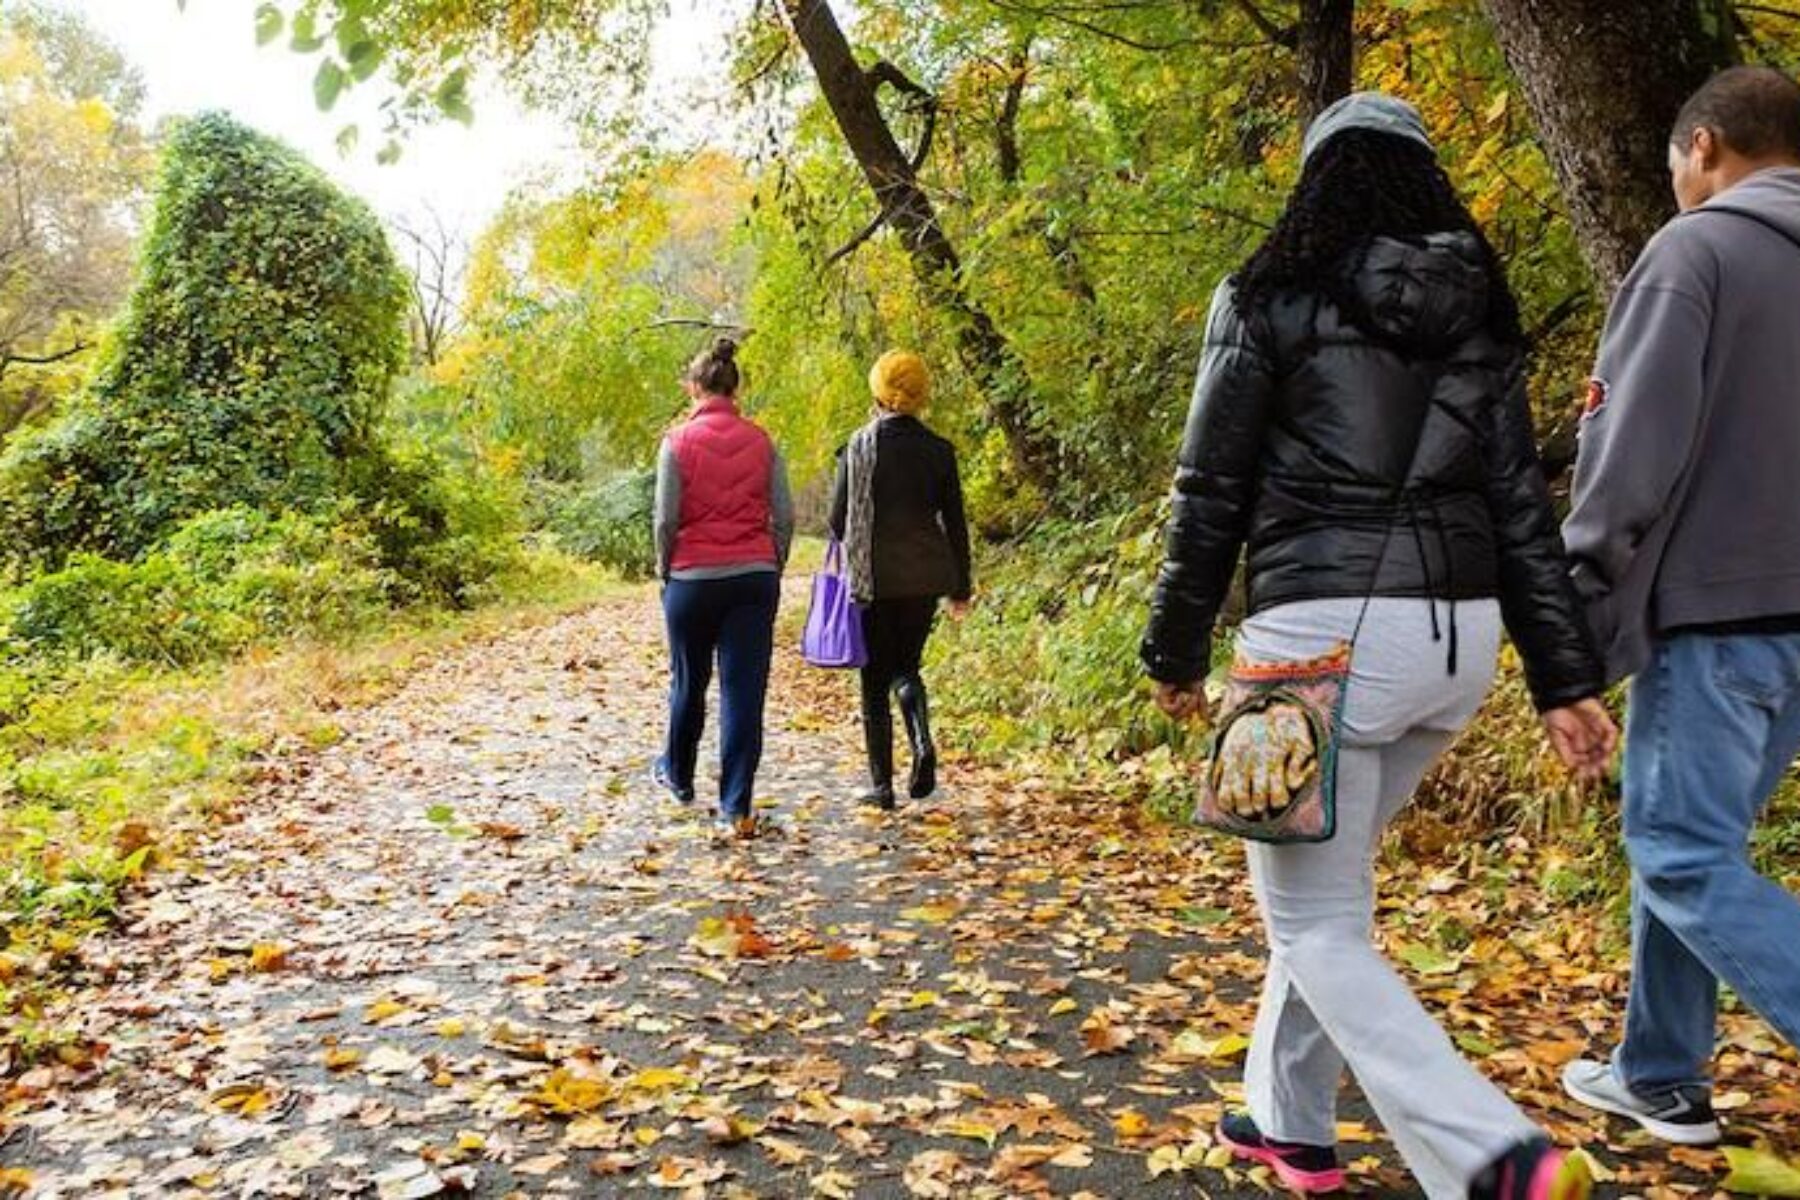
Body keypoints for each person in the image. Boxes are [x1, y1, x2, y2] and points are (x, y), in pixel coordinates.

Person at [1141, 93, 1617, 1200]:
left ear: (1320, 180)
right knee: (1322, 912)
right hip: (1454, 650)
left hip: (1318, 637)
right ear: (1424, 180)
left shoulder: (1268, 294)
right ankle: (1289, 1123)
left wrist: (1172, 647)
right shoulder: (1480, 313)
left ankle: (1493, 1155)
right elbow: (1519, 507)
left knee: (1314, 924)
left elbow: (1211, 487)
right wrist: (1563, 678)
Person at [1558, 66, 1800, 1146]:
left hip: (1721, 614)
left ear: (1704, 144)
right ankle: (1658, 1073)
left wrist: (1579, 589)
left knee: (1680, 851)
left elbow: (1628, 447)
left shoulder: (1696, 252)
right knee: (1698, 841)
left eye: (1673, 163)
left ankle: (1657, 1070)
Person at [651, 338, 794, 838]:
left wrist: (664, 571)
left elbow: (666, 519)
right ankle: (737, 807)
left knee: (688, 681)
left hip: (692, 580)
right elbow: (786, 515)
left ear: (694, 388)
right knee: (743, 693)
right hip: (752, 579)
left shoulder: (676, 442)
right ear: (736, 388)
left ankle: (679, 777)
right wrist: (771, 564)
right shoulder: (762, 441)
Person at [827, 350, 972, 811]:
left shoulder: (859, 447)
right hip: (926, 576)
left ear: (877, 391)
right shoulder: (939, 450)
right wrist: (960, 587)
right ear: (922, 394)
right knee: (906, 667)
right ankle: (922, 742)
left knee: (873, 680)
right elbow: (956, 523)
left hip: (875, 578)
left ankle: (882, 787)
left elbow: (836, 520)